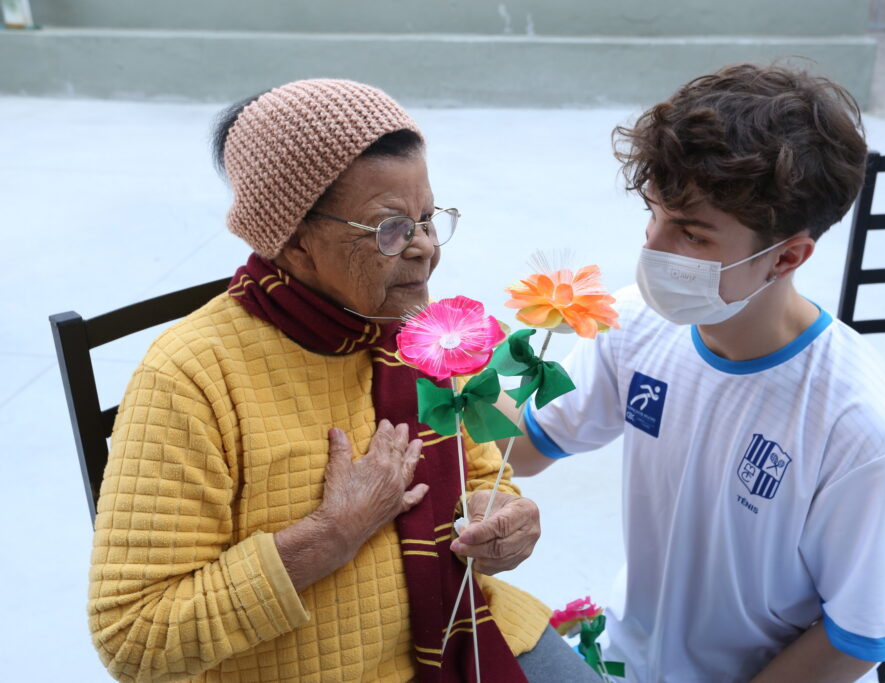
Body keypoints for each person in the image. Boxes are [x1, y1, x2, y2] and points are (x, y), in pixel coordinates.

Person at [87, 79, 600, 682]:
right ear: (294, 241)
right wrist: (332, 535)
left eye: (428, 218)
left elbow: (482, 471)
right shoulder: (190, 378)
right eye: (391, 229)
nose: (425, 248)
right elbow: (133, 635)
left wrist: (502, 514)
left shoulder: (421, 332)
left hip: (466, 626)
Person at [507, 64, 885, 682]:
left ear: (787, 256)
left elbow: (856, 640)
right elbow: (523, 448)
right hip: (623, 660)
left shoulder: (862, 427)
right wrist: (442, 362)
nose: (652, 249)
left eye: (692, 234)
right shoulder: (635, 323)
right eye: (654, 214)